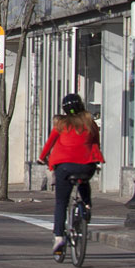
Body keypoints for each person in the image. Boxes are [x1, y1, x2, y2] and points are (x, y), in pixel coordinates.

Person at [39, 93, 103, 254]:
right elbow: (96, 142)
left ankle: (59, 237)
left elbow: (50, 143)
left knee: (61, 202)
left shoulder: (61, 124)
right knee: (83, 181)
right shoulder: (90, 123)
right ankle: (87, 205)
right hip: (86, 165)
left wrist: (42, 158)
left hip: (64, 167)